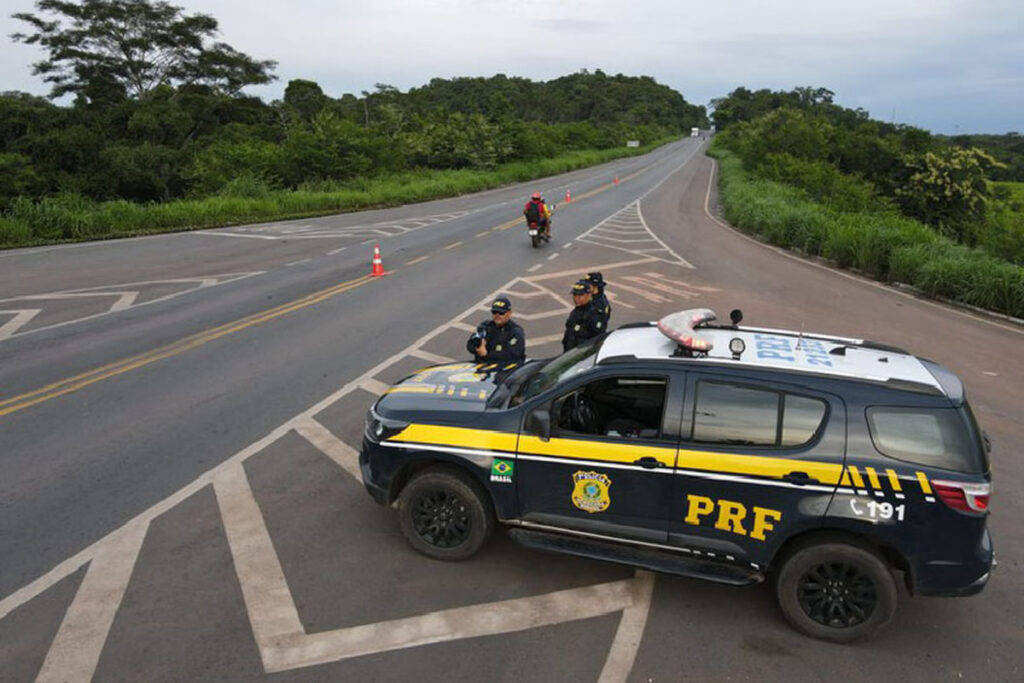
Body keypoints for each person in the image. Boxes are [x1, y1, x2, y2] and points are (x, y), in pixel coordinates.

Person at [467, 296, 526, 364]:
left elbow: (512, 355)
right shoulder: (485, 327)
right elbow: (470, 344)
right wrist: (478, 348)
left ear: (509, 313)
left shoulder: (515, 332)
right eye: (494, 312)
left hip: (507, 371)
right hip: (482, 368)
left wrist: (487, 354)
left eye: (501, 313)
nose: (497, 315)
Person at [562, 280, 604, 352]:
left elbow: (597, 340)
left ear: (589, 295)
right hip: (570, 354)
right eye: (575, 295)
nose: (576, 298)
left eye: (580, 295)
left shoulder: (594, 315)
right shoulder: (575, 312)